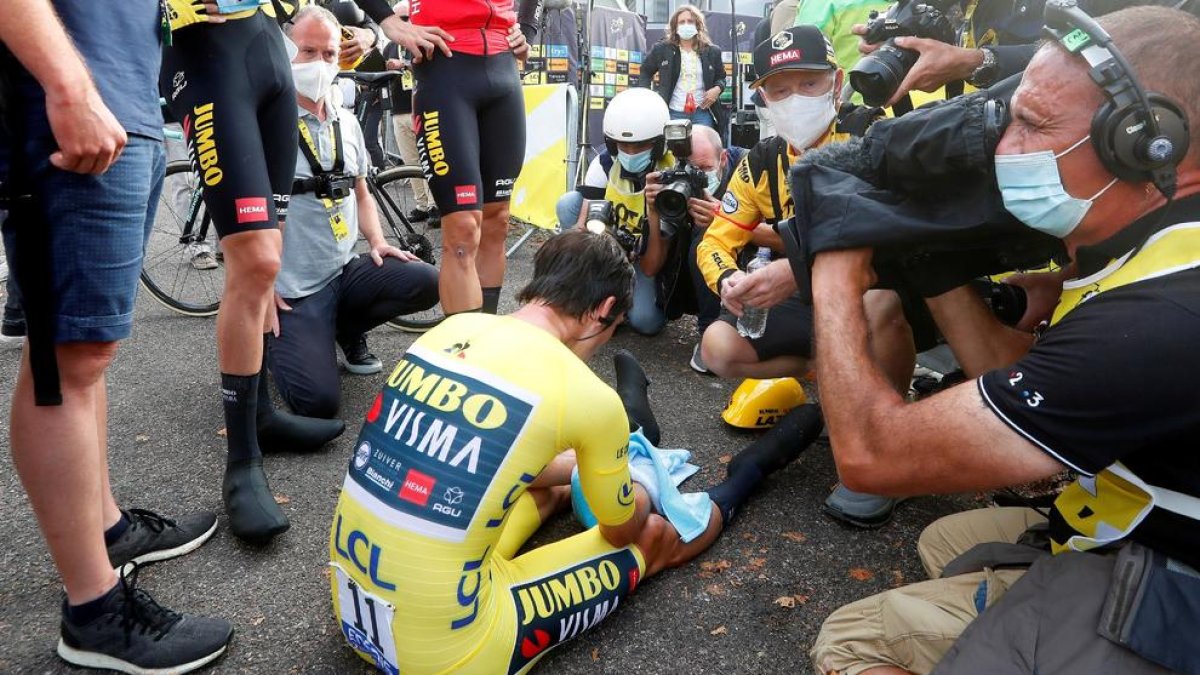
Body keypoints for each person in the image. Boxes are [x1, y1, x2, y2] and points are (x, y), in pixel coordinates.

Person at [809, 6, 1200, 673]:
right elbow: (1025, 372)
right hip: (1135, 513)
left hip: (1177, 588)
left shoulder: (1160, 321)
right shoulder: (1153, 244)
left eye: (1034, 125)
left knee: (848, 638)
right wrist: (947, 272)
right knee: (944, 538)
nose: (1003, 149)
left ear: (1143, 141)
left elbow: (871, 455)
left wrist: (834, 274)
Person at [328, 230, 819, 674]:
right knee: (649, 537)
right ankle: (748, 474)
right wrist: (627, 482)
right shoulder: (586, 394)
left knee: (521, 483)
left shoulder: (447, 333)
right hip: (451, 653)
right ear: (603, 310)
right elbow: (622, 527)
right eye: (612, 327)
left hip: (353, 607)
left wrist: (577, 476)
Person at [0, 1, 235, 672]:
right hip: (68, 101)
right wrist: (68, 85)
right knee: (65, 357)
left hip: (123, 100)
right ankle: (94, 613)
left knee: (89, 354)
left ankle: (107, 529)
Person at [696, 26, 913, 528]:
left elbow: (900, 237)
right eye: (780, 88)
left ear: (837, 83)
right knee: (718, 346)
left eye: (809, 84)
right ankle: (832, 377)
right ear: (761, 97)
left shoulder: (873, 135)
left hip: (876, 290)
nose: (795, 98)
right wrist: (729, 280)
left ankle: (892, 445)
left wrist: (795, 271)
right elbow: (716, 239)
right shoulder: (759, 162)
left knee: (881, 304)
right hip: (810, 306)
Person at [162, 0, 353, 542]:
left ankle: (261, 416)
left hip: (269, 44)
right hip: (206, 52)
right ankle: (242, 463)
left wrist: (372, 22)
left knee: (270, 245)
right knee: (257, 257)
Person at [268, 5, 438, 418]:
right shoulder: (267, 122)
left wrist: (378, 243)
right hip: (291, 290)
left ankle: (345, 329)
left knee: (427, 281)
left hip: (342, 270)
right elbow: (242, 212)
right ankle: (281, 341)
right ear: (284, 51)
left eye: (329, 54)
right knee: (318, 403)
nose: (320, 64)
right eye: (307, 52)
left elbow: (362, 191)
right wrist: (257, 286)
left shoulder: (346, 120)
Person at [405, 0, 529, 315]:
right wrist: (388, 22)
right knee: (462, 227)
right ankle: (460, 351)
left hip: (503, 68)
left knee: (497, 218)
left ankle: (480, 347)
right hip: (444, 67)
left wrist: (527, 30)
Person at [553, 88, 675, 335]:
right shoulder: (604, 164)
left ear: (659, 142)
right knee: (568, 203)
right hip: (611, 247)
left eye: (640, 145)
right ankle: (599, 291)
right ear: (611, 142)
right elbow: (582, 227)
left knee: (646, 322)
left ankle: (631, 298)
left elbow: (651, 266)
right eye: (623, 145)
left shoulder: (671, 174)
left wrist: (654, 208)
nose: (630, 153)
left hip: (649, 256)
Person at [642, 124, 746, 372]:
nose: (697, 176)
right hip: (688, 285)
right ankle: (711, 333)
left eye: (704, 169)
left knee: (707, 240)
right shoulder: (672, 184)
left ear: (723, 159)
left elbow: (774, 234)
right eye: (689, 170)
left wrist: (726, 220)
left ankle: (713, 329)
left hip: (744, 267)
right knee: (644, 320)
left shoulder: (747, 170)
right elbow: (650, 266)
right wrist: (654, 214)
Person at [382, 0, 438, 224]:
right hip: (398, 110)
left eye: (407, 18)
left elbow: (432, 69)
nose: (404, 23)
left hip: (423, 107)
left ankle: (435, 205)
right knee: (409, 160)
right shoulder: (388, 46)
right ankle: (421, 204)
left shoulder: (422, 40)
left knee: (430, 158)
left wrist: (404, 65)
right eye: (399, 19)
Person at [638, 5, 727, 132]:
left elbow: (721, 77)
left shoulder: (712, 51)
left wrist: (717, 89)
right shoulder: (662, 49)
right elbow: (645, 72)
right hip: (673, 113)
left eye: (690, 21)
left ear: (698, 25)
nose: (686, 25)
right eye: (682, 22)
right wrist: (647, 97)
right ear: (675, 26)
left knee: (703, 149)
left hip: (702, 113)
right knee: (674, 151)